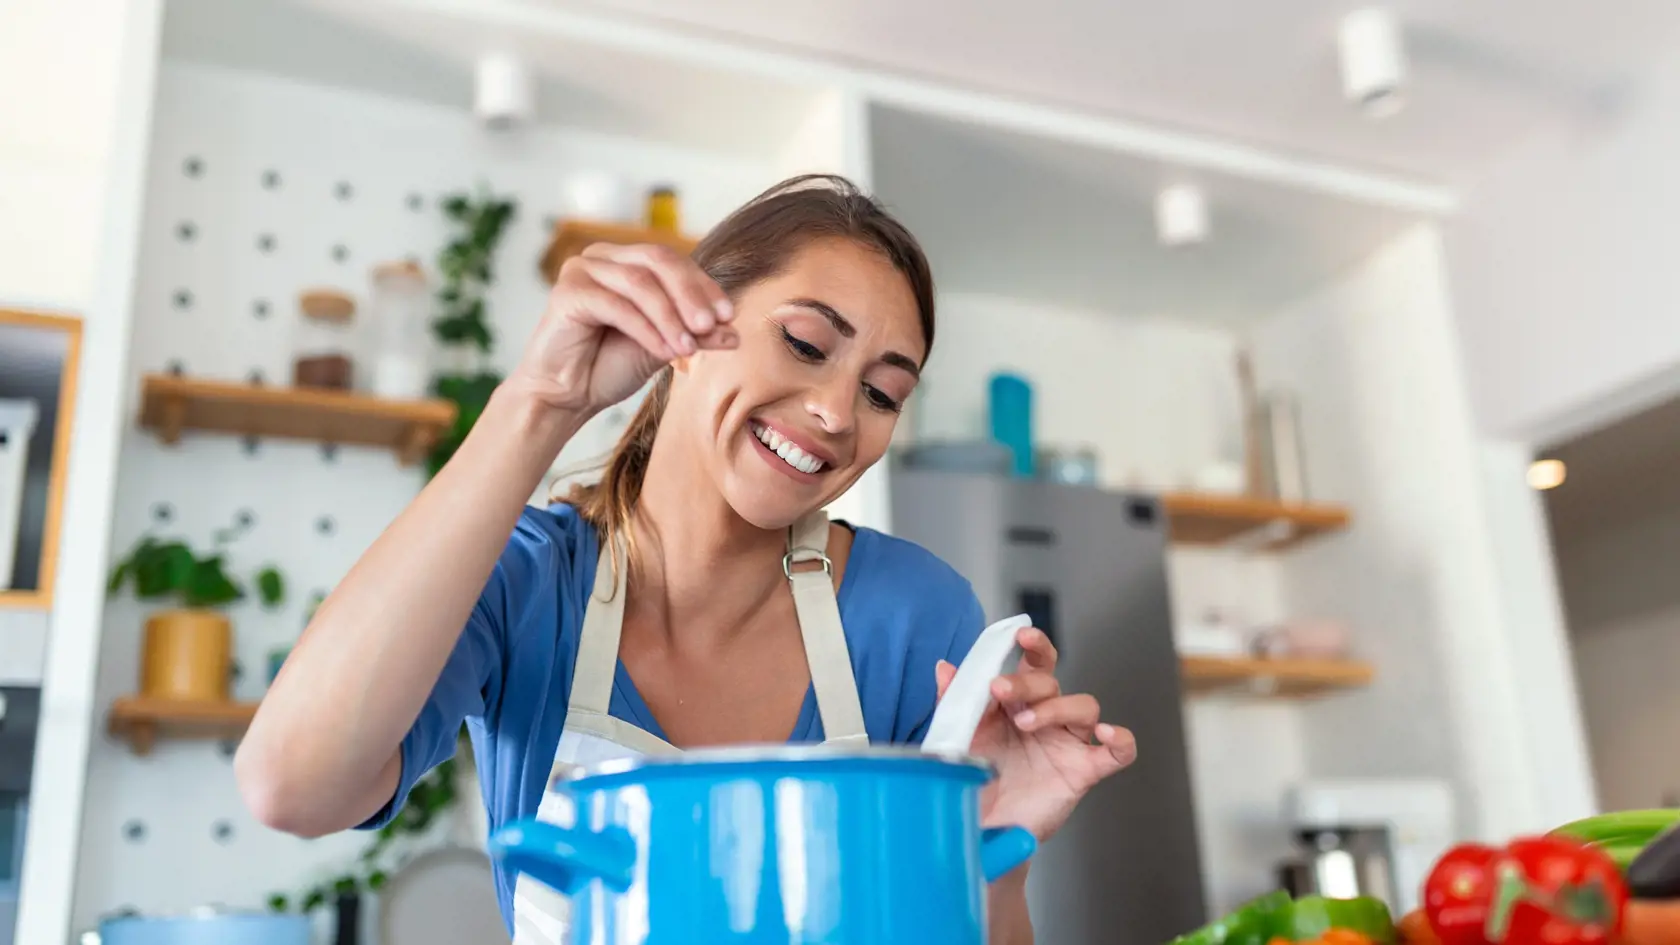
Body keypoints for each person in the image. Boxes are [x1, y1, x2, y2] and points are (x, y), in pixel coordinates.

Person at [236, 174, 1138, 944]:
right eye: (805, 343)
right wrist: (543, 399)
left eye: (880, 391)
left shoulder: (916, 614)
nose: (835, 411)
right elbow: (291, 785)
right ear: (687, 332)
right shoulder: (529, 584)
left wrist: (992, 850)